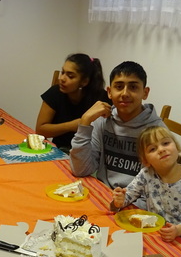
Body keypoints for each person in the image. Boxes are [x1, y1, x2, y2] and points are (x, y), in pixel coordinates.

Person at [110, 125, 181, 251]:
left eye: (165, 143)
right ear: (146, 161)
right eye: (152, 149)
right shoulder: (146, 174)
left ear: (177, 147)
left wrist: (178, 230)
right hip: (157, 237)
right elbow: (127, 196)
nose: (161, 150)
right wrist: (119, 200)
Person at [70, 60, 164, 188]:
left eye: (133, 87)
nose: (125, 93)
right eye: (119, 87)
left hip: (138, 198)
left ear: (145, 92)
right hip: (104, 191)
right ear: (109, 92)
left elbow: (157, 186)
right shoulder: (102, 121)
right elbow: (80, 170)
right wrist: (85, 121)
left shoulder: (157, 131)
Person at [35, 53, 110, 151]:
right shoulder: (55, 92)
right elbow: (40, 130)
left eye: (70, 76)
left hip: (90, 152)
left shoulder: (101, 99)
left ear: (84, 82)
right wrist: (71, 125)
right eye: (62, 72)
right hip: (59, 149)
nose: (62, 78)